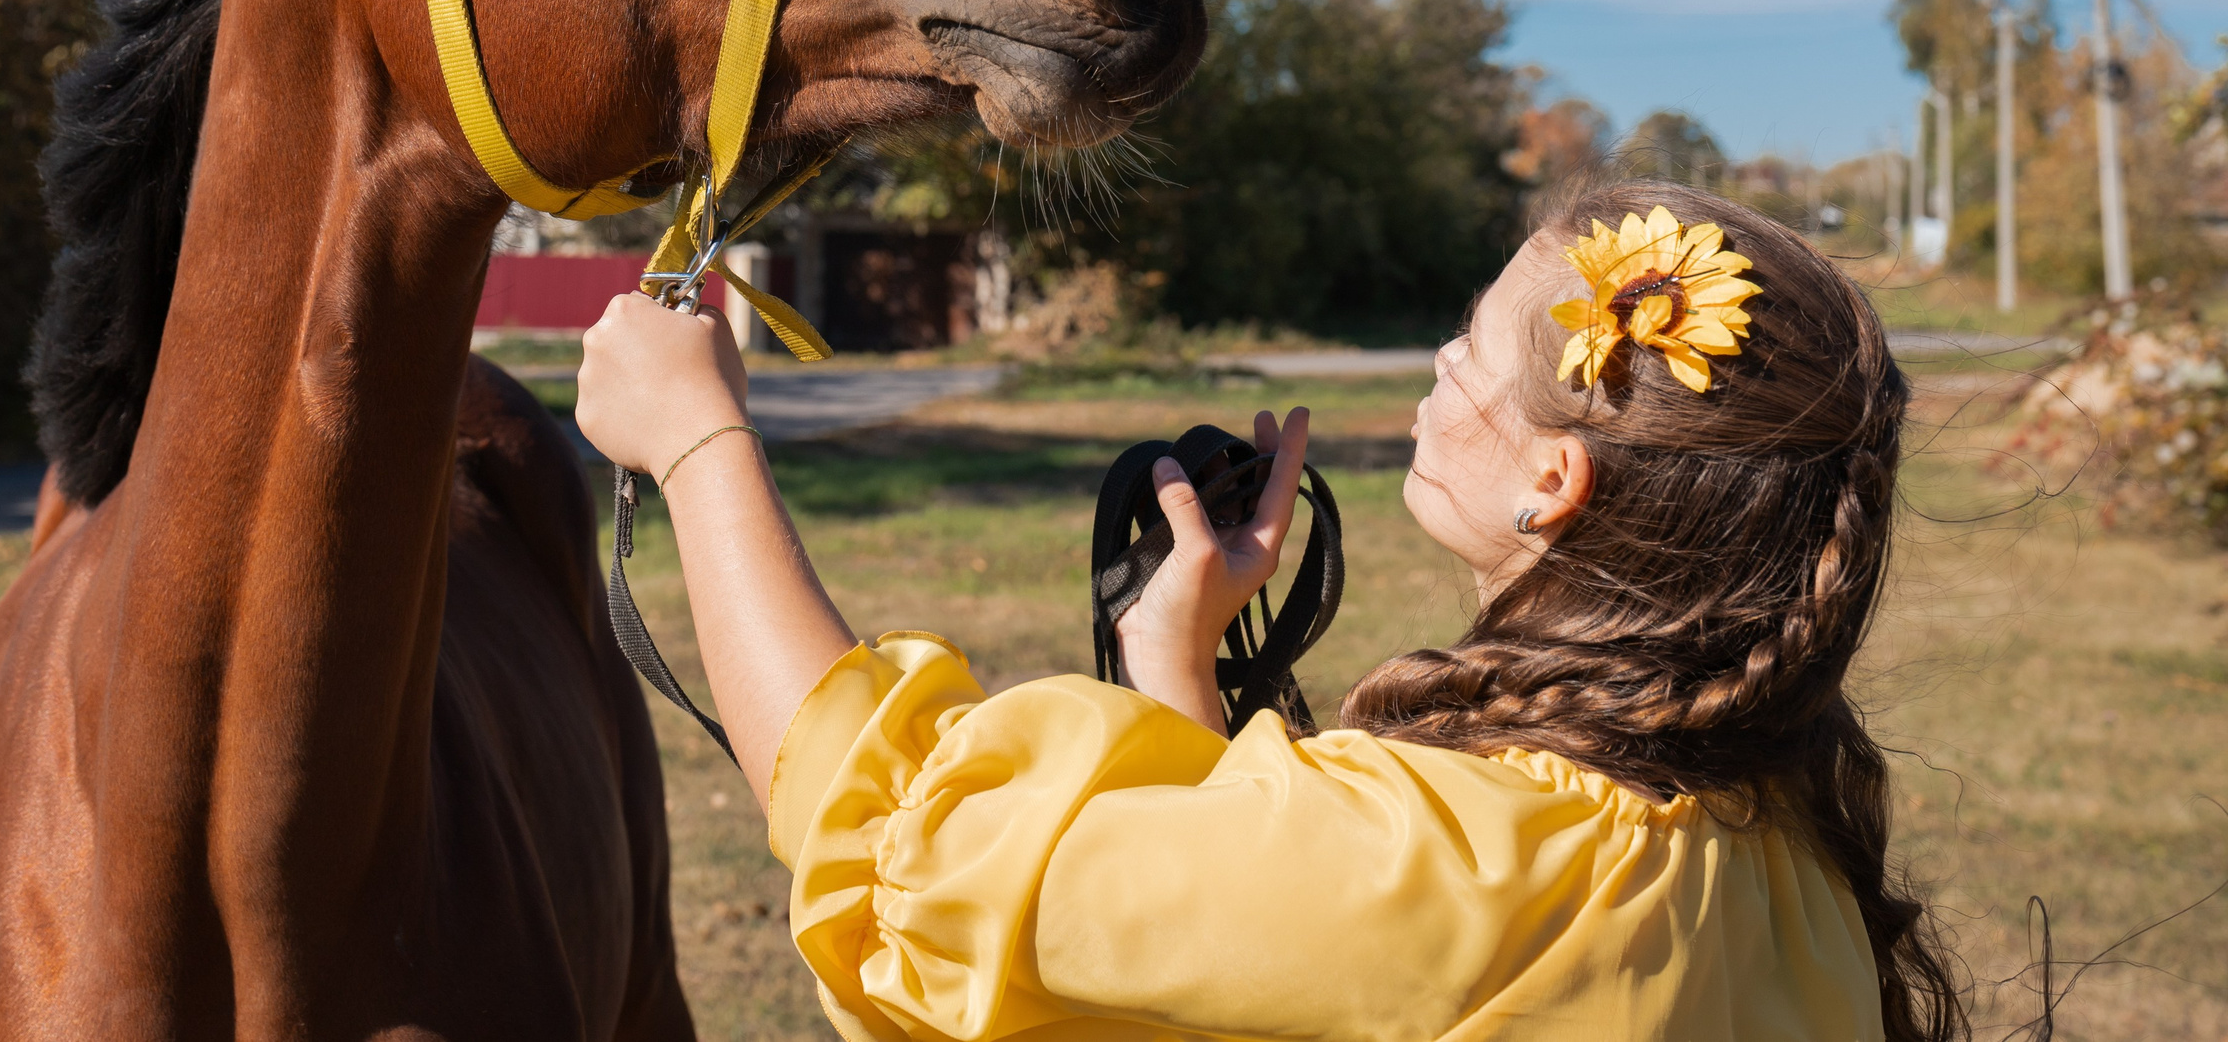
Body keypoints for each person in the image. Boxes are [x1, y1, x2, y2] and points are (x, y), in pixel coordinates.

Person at [575, 180, 1963, 1041]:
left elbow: (895, 862)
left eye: (1469, 346)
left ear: (1556, 479)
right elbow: (1230, 982)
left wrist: (696, 441)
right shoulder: (1783, 843)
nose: (1437, 361)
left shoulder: (1468, 863)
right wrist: (1169, 662)